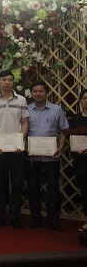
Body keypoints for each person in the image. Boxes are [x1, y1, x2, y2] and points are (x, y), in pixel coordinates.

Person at [0, 69, 29, 229]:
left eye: (10, 80)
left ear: (13, 82)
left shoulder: (21, 100)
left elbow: (25, 122)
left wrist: (20, 141)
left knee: (17, 183)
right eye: (4, 79)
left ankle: (15, 216)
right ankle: (0, 215)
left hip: (17, 149)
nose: (7, 82)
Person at [26, 80, 68, 231]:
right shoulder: (26, 110)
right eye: (35, 91)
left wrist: (60, 147)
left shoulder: (56, 110)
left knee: (53, 188)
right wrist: (25, 146)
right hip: (32, 156)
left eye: (41, 91)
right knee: (32, 187)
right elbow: (22, 130)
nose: (38, 94)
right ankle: (36, 218)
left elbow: (64, 130)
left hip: (52, 156)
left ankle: (53, 219)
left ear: (47, 93)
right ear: (31, 94)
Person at [66, 89, 87, 233]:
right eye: (84, 98)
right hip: (81, 161)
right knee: (85, 191)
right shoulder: (74, 119)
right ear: (80, 101)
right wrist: (75, 149)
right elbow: (70, 139)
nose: (86, 101)